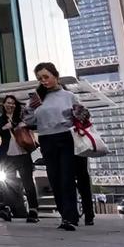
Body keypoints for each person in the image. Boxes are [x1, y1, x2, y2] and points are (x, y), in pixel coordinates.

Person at [23, 62, 82, 231]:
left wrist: (78, 114)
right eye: (40, 78)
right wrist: (28, 109)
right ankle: (65, 216)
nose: (43, 81)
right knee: (55, 179)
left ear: (55, 76)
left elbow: (82, 117)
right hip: (46, 140)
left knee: (67, 178)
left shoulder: (68, 96)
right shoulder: (37, 98)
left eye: (46, 77)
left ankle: (70, 217)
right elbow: (29, 121)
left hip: (66, 138)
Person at [0, 95, 40, 223]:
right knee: (7, 183)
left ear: (16, 105)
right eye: (8, 103)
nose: (10, 105)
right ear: (4, 105)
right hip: (8, 157)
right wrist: (5, 127)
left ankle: (33, 210)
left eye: (12, 103)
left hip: (23, 154)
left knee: (27, 183)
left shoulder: (22, 117)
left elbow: (35, 125)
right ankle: (8, 209)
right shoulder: (0, 120)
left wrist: (25, 124)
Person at [75, 155, 95, 225]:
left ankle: (72, 216)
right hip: (79, 151)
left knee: (82, 180)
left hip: (74, 150)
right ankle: (89, 215)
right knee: (83, 181)